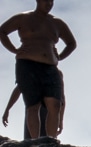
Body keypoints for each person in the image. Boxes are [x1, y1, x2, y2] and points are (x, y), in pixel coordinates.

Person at [0, 0, 76, 139]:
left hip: (50, 66)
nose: (49, 4)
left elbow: (71, 43)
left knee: (55, 104)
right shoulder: (23, 18)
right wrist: (14, 49)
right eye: (46, 1)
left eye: (51, 1)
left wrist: (59, 56)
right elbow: (2, 31)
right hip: (27, 64)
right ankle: (34, 142)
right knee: (32, 104)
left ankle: (51, 140)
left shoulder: (57, 23)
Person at [3, 68, 66, 139]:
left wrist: (60, 120)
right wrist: (7, 109)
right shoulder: (31, 69)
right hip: (33, 111)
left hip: (48, 111)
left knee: (47, 142)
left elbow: (61, 98)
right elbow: (19, 89)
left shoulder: (56, 73)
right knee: (33, 142)